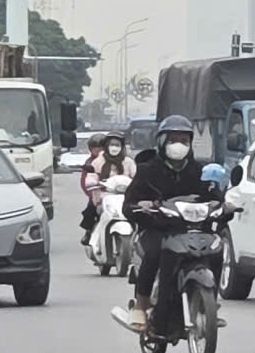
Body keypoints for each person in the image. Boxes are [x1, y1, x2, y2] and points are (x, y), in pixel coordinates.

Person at [122, 115, 215, 329]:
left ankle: (210, 303)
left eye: (184, 141)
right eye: (173, 140)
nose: (179, 146)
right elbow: (129, 204)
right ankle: (141, 306)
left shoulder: (198, 170)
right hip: (157, 229)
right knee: (154, 254)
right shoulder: (147, 170)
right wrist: (142, 207)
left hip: (191, 229)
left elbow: (214, 196)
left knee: (215, 249)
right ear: (162, 142)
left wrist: (223, 206)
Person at [79, 131, 129, 241]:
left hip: (121, 192)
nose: (98, 150)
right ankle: (89, 232)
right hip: (101, 193)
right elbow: (85, 181)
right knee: (90, 211)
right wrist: (92, 192)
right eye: (94, 147)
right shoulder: (91, 163)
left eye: (100, 147)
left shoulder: (124, 160)